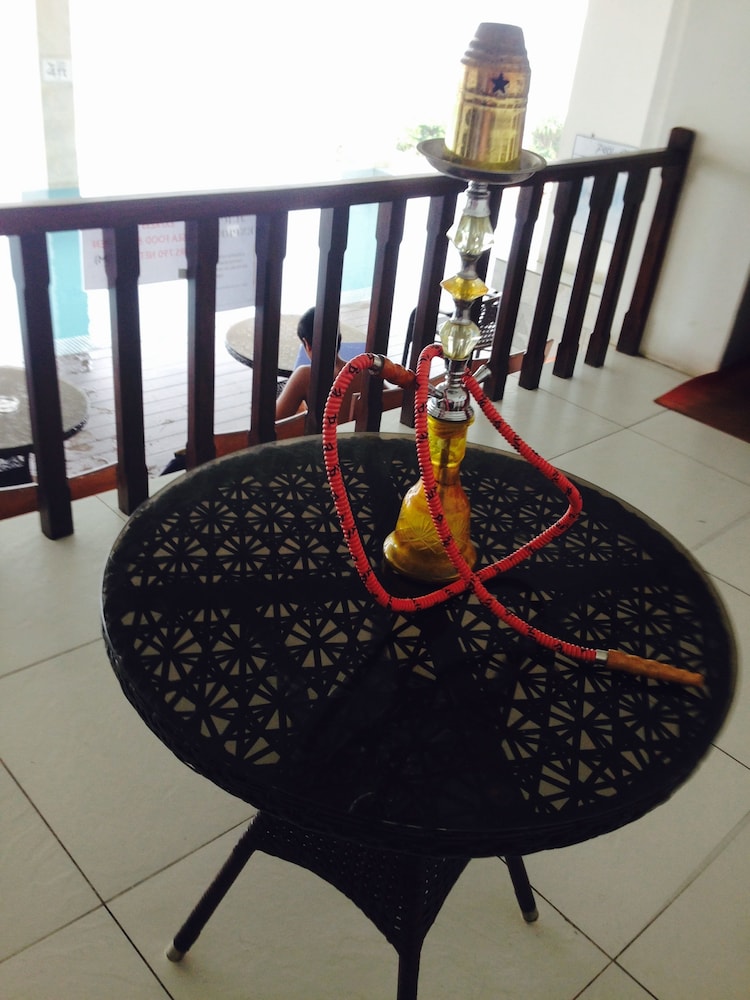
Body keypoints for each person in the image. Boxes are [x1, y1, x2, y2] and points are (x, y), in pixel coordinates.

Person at [275, 307, 357, 421]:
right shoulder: (361, 370)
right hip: (359, 432)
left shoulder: (305, 375)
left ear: (307, 344)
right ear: (339, 339)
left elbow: (274, 419)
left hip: (326, 432)